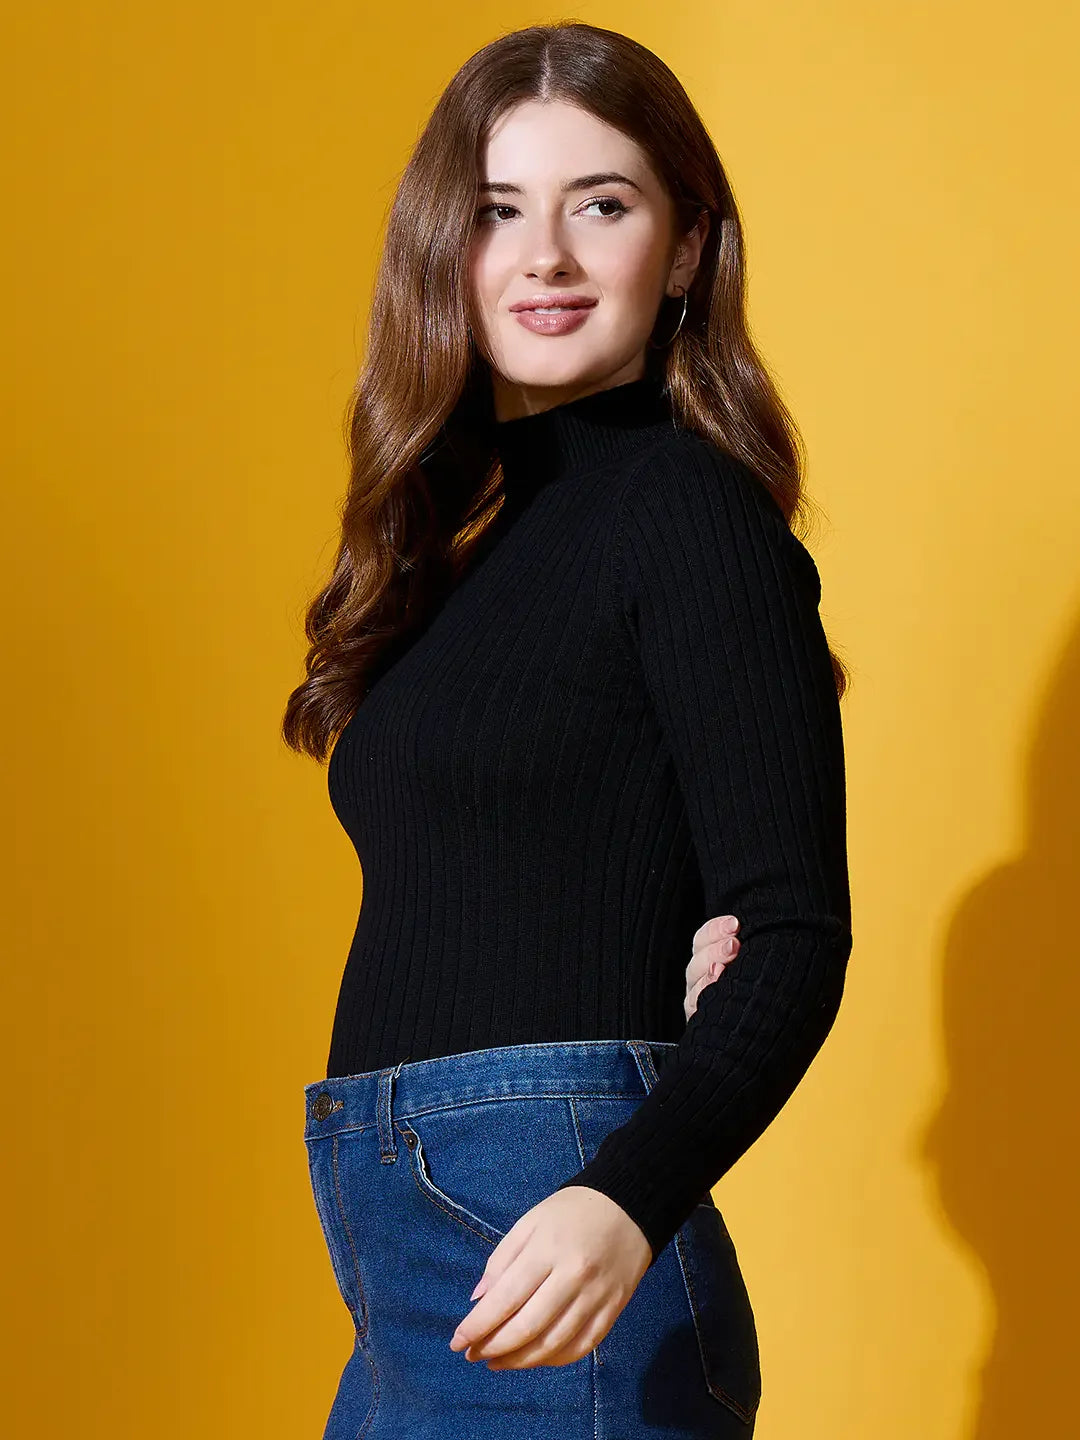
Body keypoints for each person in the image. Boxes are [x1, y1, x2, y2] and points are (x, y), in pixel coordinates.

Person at [282, 20, 853, 1440]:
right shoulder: (475, 545)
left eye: (601, 204)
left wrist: (621, 1194)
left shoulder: (688, 513)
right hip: (413, 1265)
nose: (544, 255)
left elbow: (792, 936)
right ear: (446, 250)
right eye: (495, 213)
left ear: (681, 248)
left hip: (566, 1241)